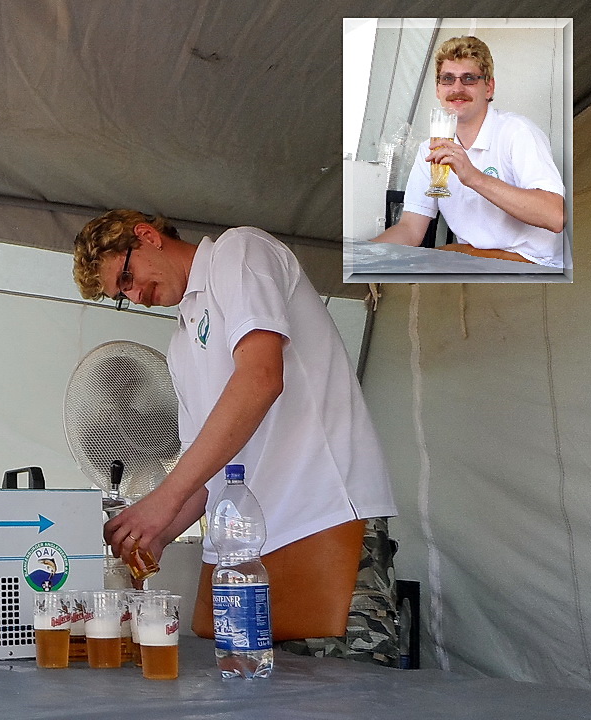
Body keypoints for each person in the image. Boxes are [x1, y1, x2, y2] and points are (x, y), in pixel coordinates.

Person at [73, 210, 400, 665]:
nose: (136, 296)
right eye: (122, 296)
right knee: (255, 692)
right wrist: (157, 533)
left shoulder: (239, 251)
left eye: (127, 277)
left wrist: (163, 500)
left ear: (147, 236)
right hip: (246, 547)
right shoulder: (181, 344)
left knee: (351, 689)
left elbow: (261, 377)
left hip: (322, 516)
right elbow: (204, 466)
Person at [371, 36, 565, 267]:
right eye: (447, 79)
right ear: (438, 89)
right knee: (421, 261)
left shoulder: (517, 132)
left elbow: (555, 216)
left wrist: (473, 177)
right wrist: (363, 256)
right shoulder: (430, 149)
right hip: (475, 261)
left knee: (439, 258)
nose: (457, 89)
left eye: (469, 79)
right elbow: (411, 229)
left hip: (536, 264)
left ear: (489, 88)